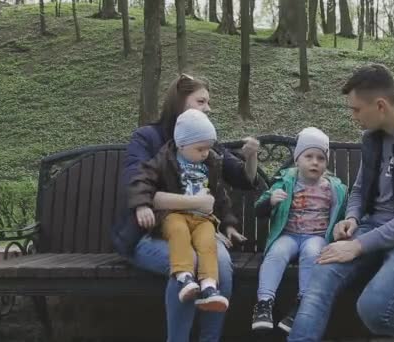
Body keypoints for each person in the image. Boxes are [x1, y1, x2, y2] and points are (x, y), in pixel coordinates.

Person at [287, 64, 394, 342]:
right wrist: (353, 218)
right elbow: (359, 189)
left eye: (356, 109)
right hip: (374, 227)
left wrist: (357, 246)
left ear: (380, 105)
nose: (353, 116)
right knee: (321, 273)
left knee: (374, 307)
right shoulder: (372, 138)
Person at [112, 74, 260, 342]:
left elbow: (241, 179)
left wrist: (251, 157)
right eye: (201, 101)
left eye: (208, 102)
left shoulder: (205, 142)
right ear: (180, 102)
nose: (208, 108)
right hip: (149, 233)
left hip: (198, 230)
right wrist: (196, 204)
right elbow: (137, 186)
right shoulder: (147, 138)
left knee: (222, 265)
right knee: (188, 263)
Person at [128, 109, 233, 311]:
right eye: (200, 149)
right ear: (181, 145)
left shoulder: (210, 163)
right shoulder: (164, 159)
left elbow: (220, 197)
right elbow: (142, 180)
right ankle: (185, 277)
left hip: (202, 219)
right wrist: (142, 204)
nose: (205, 153)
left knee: (207, 242)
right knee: (179, 232)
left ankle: (209, 286)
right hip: (174, 215)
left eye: (208, 148)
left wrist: (228, 223)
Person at [251, 127, 347, 334]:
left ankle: (303, 305)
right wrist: (270, 201)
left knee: (313, 253)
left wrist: (342, 231)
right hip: (288, 235)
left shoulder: (334, 188)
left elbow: (344, 215)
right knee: (276, 253)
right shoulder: (285, 183)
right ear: (297, 160)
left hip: (317, 237)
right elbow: (258, 210)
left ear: (326, 163)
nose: (315, 162)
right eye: (309, 156)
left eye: (321, 158)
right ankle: (264, 303)